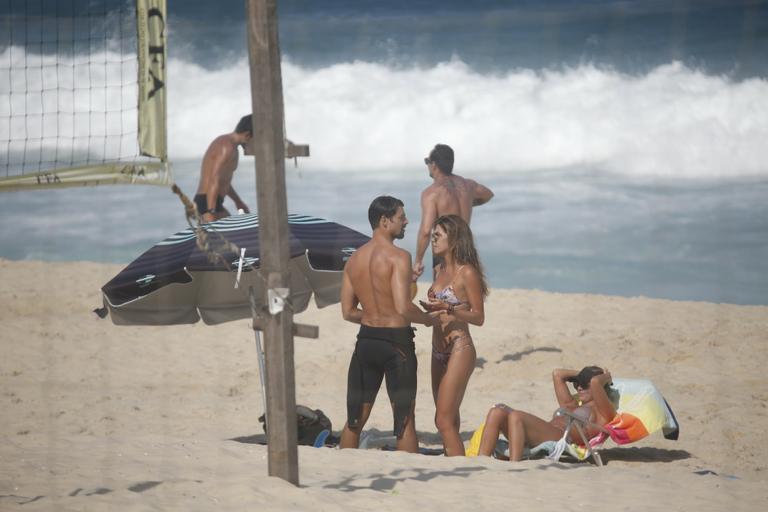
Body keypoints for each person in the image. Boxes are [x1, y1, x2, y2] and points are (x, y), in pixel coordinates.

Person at [339, 196, 434, 453]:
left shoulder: (354, 260)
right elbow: (403, 307)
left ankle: (343, 466)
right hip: (396, 345)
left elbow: (348, 312)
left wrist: (374, 314)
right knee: (404, 420)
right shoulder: (399, 256)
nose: (406, 222)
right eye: (401, 217)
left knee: (355, 419)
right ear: (384, 221)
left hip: (366, 341)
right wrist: (427, 319)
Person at [419, 215, 488, 456]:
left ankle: (458, 469)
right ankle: (453, 461)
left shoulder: (466, 272)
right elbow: (438, 314)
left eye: (438, 236)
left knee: (443, 421)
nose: (433, 240)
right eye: (432, 235)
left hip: (460, 347)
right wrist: (428, 313)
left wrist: (449, 308)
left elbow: (479, 317)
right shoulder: (439, 269)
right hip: (438, 350)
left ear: (455, 239)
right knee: (449, 419)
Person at [477, 366, 617, 461]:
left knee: (516, 416)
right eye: (577, 384)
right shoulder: (571, 405)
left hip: (560, 438)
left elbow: (595, 382)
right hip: (541, 434)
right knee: (497, 411)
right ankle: (480, 463)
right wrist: (581, 375)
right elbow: (558, 374)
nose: (579, 387)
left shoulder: (603, 412)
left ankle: (515, 467)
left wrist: (607, 377)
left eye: (584, 385)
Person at [413, 143, 494, 280]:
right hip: (466, 245)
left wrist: (418, 261)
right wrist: (470, 203)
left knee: (441, 294)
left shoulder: (432, 193)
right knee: (464, 291)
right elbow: (488, 194)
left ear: (434, 165)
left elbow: (426, 231)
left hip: (445, 249)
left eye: (427, 161)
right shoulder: (468, 185)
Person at [194, 114, 253, 223]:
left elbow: (223, 181)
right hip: (207, 202)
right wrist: (211, 212)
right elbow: (214, 180)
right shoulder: (227, 147)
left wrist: (238, 202)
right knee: (230, 235)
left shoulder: (231, 146)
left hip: (214, 202)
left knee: (233, 233)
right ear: (248, 135)